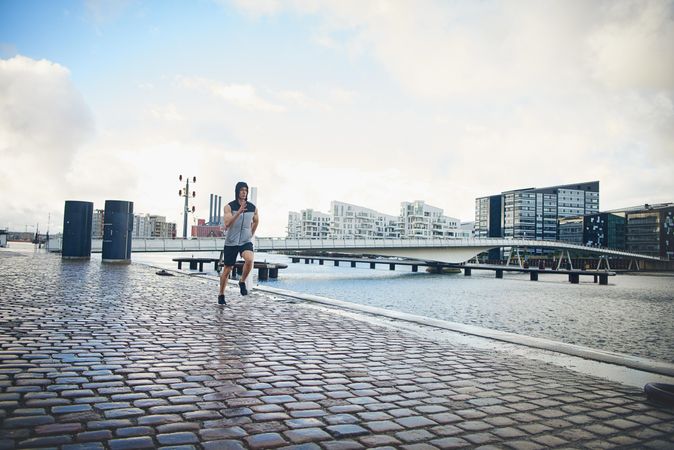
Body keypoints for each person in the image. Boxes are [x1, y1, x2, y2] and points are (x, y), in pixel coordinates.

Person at [218, 181, 259, 304]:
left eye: (246, 190)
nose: (244, 192)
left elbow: (256, 221)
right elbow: (227, 224)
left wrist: (251, 233)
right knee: (227, 269)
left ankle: (242, 281)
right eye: (241, 190)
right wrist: (239, 212)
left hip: (245, 240)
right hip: (231, 241)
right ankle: (221, 294)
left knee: (250, 259)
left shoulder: (252, 208)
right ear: (237, 192)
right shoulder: (229, 207)